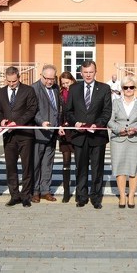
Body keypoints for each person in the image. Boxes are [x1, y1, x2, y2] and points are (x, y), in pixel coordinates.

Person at [65, 60, 112, 209]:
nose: (88, 75)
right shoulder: (74, 88)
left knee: (97, 169)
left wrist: (97, 125)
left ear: (95, 72)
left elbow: (107, 111)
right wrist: (75, 123)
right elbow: (68, 110)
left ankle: (96, 197)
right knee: (81, 168)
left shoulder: (104, 88)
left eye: (91, 72)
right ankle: (81, 197)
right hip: (79, 136)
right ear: (81, 73)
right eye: (85, 72)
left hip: (97, 136)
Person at [0, 66, 38, 207]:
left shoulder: (28, 90)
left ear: (18, 78)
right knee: (11, 166)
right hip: (8, 136)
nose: (11, 84)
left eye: (14, 81)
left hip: (25, 134)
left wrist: (18, 123)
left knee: (27, 166)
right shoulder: (0, 93)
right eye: (9, 81)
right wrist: (1, 119)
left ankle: (26, 196)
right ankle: (14, 195)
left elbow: (32, 109)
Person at [108, 76, 137, 209]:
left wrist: (134, 130)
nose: (129, 90)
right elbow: (110, 120)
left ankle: (131, 195)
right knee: (120, 168)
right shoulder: (115, 103)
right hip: (118, 139)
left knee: (134, 169)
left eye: (131, 87)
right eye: (126, 87)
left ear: (135, 88)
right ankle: (122, 196)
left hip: (136, 139)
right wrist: (121, 130)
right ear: (122, 89)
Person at [31, 64, 61, 203]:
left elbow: (57, 108)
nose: (49, 81)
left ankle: (45, 190)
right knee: (36, 163)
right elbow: (33, 110)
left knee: (48, 163)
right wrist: (41, 122)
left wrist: (59, 124)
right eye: (47, 78)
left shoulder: (55, 88)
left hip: (52, 132)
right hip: (39, 132)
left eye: (52, 78)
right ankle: (35, 191)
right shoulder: (34, 88)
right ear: (41, 76)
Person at [58, 71, 77, 203]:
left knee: (79, 162)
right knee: (66, 162)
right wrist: (59, 125)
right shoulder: (60, 94)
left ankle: (80, 190)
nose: (65, 86)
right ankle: (66, 191)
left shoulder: (78, 92)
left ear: (72, 81)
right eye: (63, 84)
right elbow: (58, 112)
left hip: (75, 131)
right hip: (64, 132)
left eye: (67, 83)